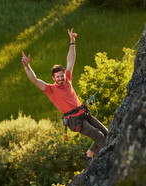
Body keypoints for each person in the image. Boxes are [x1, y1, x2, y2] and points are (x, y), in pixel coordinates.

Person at [21, 28, 108, 164]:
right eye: (58, 77)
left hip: (84, 114)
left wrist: (72, 42)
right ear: (53, 78)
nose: (62, 78)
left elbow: (70, 61)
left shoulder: (68, 79)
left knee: (106, 134)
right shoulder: (51, 89)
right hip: (74, 120)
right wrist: (27, 67)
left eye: (62, 76)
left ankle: (88, 154)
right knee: (99, 137)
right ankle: (107, 161)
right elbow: (35, 80)